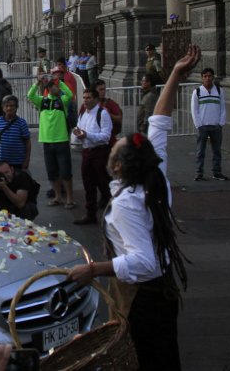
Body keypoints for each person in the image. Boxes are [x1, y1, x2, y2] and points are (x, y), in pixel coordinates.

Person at [67, 44, 199, 371]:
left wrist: (94, 269)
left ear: (119, 166)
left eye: (118, 145)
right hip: (160, 292)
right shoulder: (154, 175)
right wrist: (175, 75)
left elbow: (145, 262)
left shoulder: (127, 201)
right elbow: (160, 122)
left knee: (145, 359)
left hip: (145, 296)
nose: (115, 142)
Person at [27, 71, 75, 208]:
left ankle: (70, 199)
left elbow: (70, 94)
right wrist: (37, 82)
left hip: (61, 141)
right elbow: (30, 95)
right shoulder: (42, 101)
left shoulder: (62, 101)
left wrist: (59, 82)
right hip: (47, 142)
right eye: (52, 87)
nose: (54, 88)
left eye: (56, 87)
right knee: (52, 172)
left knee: (65, 172)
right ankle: (57, 196)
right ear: (48, 89)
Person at [72, 88, 113, 225]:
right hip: (86, 151)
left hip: (99, 151)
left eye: (88, 98)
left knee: (102, 181)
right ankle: (91, 214)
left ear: (96, 99)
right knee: (88, 184)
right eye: (84, 98)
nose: (85, 100)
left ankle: (112, 209)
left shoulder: (103, 113)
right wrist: (77, 135)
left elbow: (106, 136)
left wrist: (87, 135)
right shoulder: (83, 113)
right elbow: (79, 129)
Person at [191, 67, 227, 181]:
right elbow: (194, 110)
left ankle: (217, 172)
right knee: (200, 151)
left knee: (217, 151)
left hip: (216, 126)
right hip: (203, 126)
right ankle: (199, 173)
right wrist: (199, 125)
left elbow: (223, 108)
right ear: (202, 78)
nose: (207, 78)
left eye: (209, 76)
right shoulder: (197, 92)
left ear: (213, 77)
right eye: (205, 76)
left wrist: (221, 123)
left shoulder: (219, 91)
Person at [0, 95, 31, 171]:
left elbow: (27, 142)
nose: (9, 108)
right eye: (6, 106)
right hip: (1, 162)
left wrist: (27, 160)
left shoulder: (22, 123)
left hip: (18, 163)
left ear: (16, 107)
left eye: (12, 106)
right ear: (3, 107)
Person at [94, 80, 123, 147]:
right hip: (94, 142)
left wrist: (108, 114)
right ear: (94, 91)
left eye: (104, 89)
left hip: (109, 142)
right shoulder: (89, 104)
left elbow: (119, 119)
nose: (103, 92)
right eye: (101, 89)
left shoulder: (111, 103)